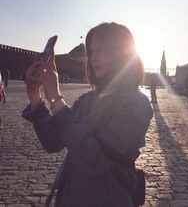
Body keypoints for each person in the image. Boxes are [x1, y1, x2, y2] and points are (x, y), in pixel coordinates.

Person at [22, 22, 153, 207]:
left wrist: (56, 97)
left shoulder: (136, 105)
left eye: (102, 51)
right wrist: (34, 95)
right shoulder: (86, 101)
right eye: (91, 52)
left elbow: (93, 159)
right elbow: (52, 142)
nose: (93, 58)